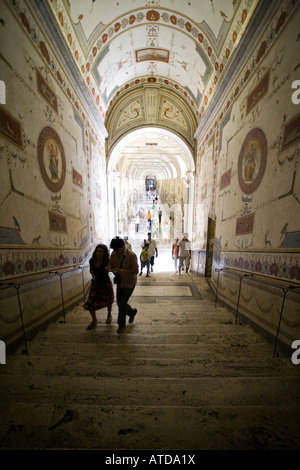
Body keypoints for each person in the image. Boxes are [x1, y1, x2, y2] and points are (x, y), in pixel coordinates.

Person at [106, 237, 139, 333]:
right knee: (119, 303)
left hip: (130, 283)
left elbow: (136, 271)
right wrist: (109, 267)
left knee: (122, 304)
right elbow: (111, 264)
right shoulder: (114, 254)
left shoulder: (131, 255)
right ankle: (132, 312)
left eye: (118, 249)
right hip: (120, 282)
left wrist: (122, 271)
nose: (116, 252)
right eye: (114, 250)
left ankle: (121, 325)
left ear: (122, 246)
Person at [83, 244, 114, 330]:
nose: (99, 253)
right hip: (95, 284)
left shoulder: (107, 261)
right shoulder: (92, 261)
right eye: (97, 251)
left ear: (104, 253)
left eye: (101, 252)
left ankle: (109, 315)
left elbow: (112, 268)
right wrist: (93, 275)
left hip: (105, 284)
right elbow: (91, 270)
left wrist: (110, 268)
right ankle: (94, 320)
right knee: (90, 303)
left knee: (108, 301)